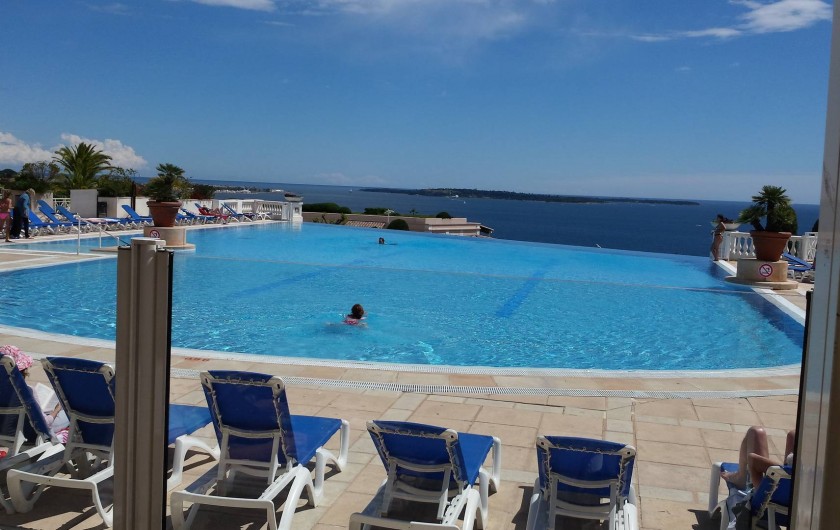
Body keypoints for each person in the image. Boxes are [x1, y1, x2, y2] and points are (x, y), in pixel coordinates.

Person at [0, 345, 68, 444]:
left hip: (5, 432)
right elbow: (44, 423)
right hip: (29, 436)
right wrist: (56, 411)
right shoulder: (26, 391)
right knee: (68, 413)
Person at [720, 426, 795, 491]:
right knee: (794, 435)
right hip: (791, 482)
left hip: (769, 498)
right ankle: (742, 476)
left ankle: (743, 478)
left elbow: (753, 460)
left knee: (755, 433)